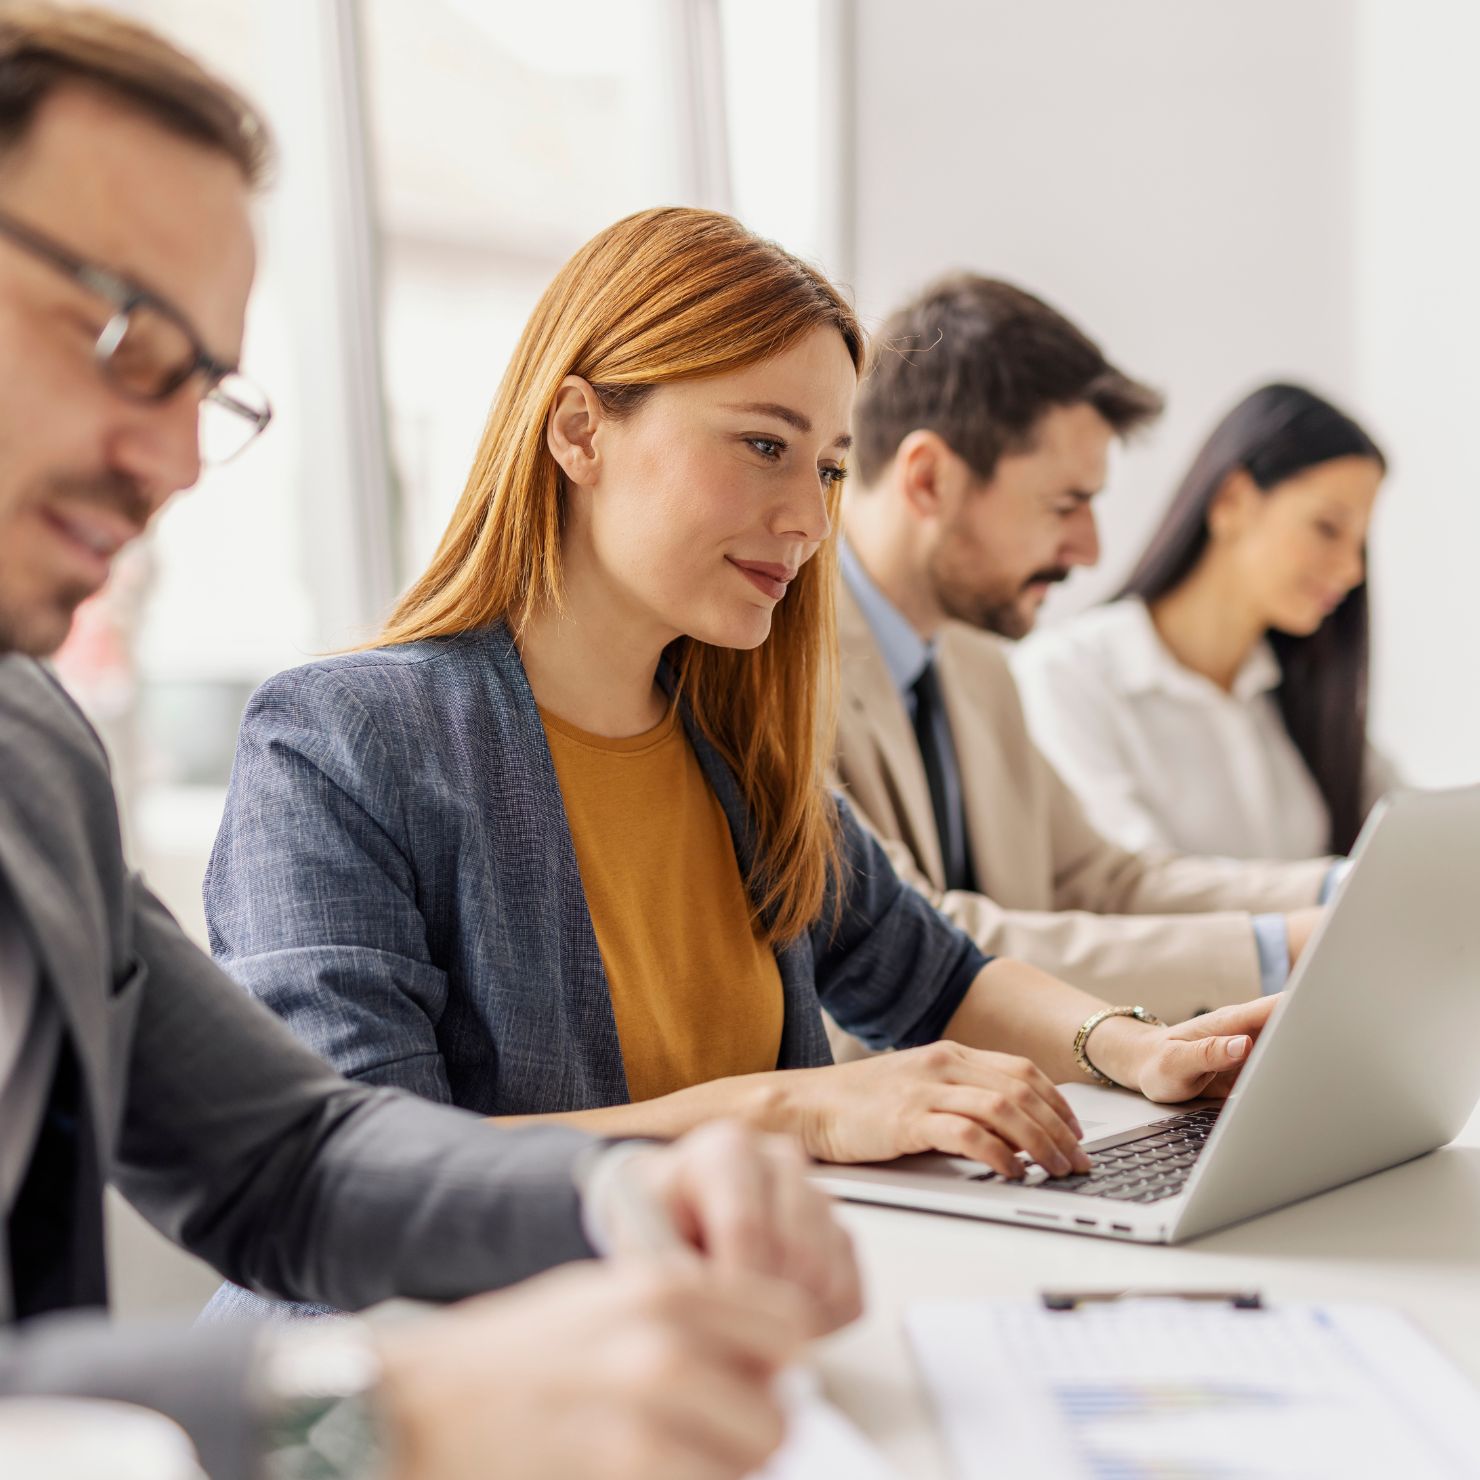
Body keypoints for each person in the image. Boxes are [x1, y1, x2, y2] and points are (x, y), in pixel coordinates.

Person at [0, 9, 861, 1480]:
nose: (167, 465)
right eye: (117, 339)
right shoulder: (351, 734)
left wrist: (618, 1192)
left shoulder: (32, 751)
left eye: (201, 388)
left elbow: (292, 1154)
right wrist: (363, 1415)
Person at [201, 203, 1283, 1331]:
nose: (808, 518)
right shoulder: (339, 745)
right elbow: (363, 1174)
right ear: (579, 429)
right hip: (426, 1400)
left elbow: (935, 975)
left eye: (825, 468)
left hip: (701, 1369)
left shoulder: (731, 745)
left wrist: (1135, 1049)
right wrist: (792, 1111)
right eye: (763, 445)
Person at [835, 276, 1341, 1027]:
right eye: (1065, 504)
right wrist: (1273, 951)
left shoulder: (975, 665)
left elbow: (1100, 881)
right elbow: (917, 949)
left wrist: (1338, 893)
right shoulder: (777, 669)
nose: (1091, 549)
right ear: (929, 479)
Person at [1014, 381, 1396, 860]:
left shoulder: (1300, 701)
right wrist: (1329, 895)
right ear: (1232, 500)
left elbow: (1420, 838)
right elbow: (1133, 891)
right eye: (1327, 528)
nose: (1351, 569)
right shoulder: (1066, 675)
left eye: (1359, 542)